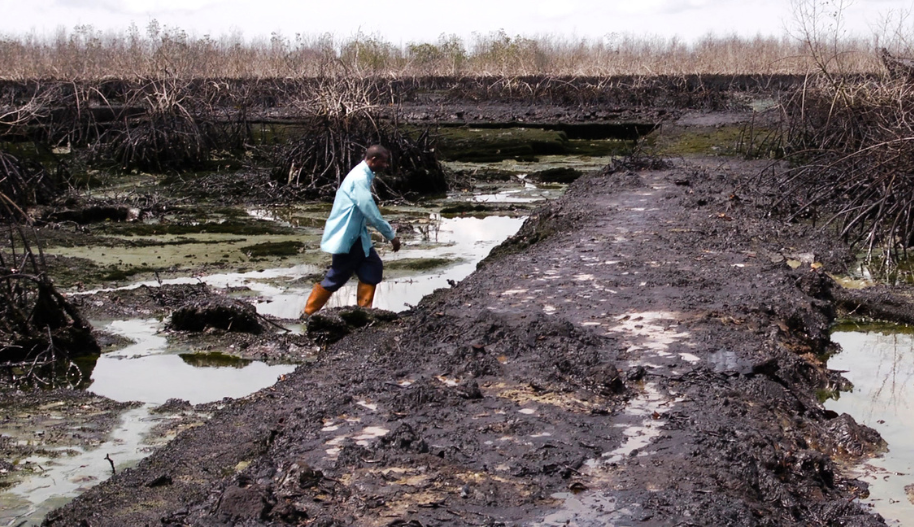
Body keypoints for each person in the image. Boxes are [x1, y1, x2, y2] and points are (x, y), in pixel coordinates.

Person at [301, 145, 401, 318]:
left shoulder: (363, 174)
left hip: (358, 234)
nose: (386, 166)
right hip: (348, 235)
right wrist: (391, 235)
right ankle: (308, 313)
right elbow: (369, 211)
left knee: (372, 266)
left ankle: (364, 313)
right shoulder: (359, 178)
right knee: (338, 275)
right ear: (373, 160)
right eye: (383, 162)